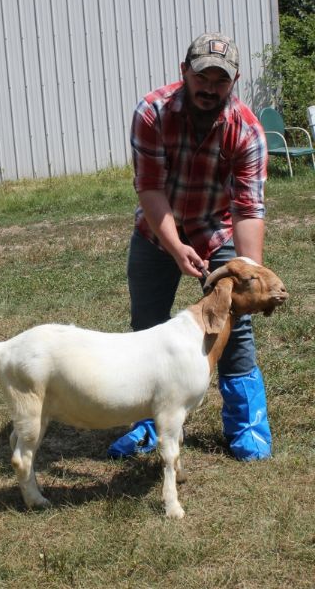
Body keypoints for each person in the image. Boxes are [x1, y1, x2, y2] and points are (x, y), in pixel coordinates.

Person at [108, 32, 271, 462]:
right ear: (185, 73)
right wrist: (176, 246)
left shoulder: (247, 131)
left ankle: (246, 428)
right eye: (203, 77)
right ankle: (147, 424)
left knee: (233, 329)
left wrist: (246, 270)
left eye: (221, 79)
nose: (210, 88)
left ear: (233, 80)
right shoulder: (153, 112)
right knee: (147, 329)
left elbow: (248, 207)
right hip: (156, 233)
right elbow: (149, 187)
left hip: (216, 232)